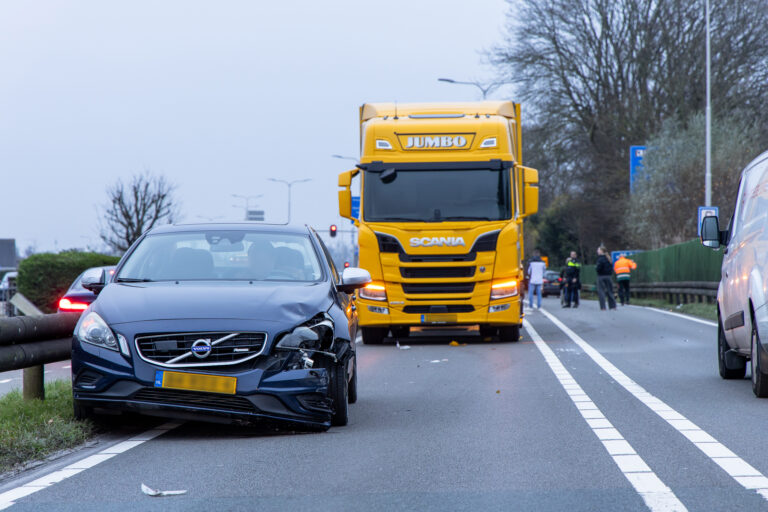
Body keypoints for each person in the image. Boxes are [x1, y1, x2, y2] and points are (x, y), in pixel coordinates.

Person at [595, 246, 617, 310]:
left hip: (601, 276)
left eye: (598, 250)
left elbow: (598, 268)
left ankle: (603, 307)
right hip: (609, 276)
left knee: (601, 291)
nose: (597, 251)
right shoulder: (609, 258)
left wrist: (597, 269)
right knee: (610, 291)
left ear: (601, 251)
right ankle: (613, 306)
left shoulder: (600, 259)